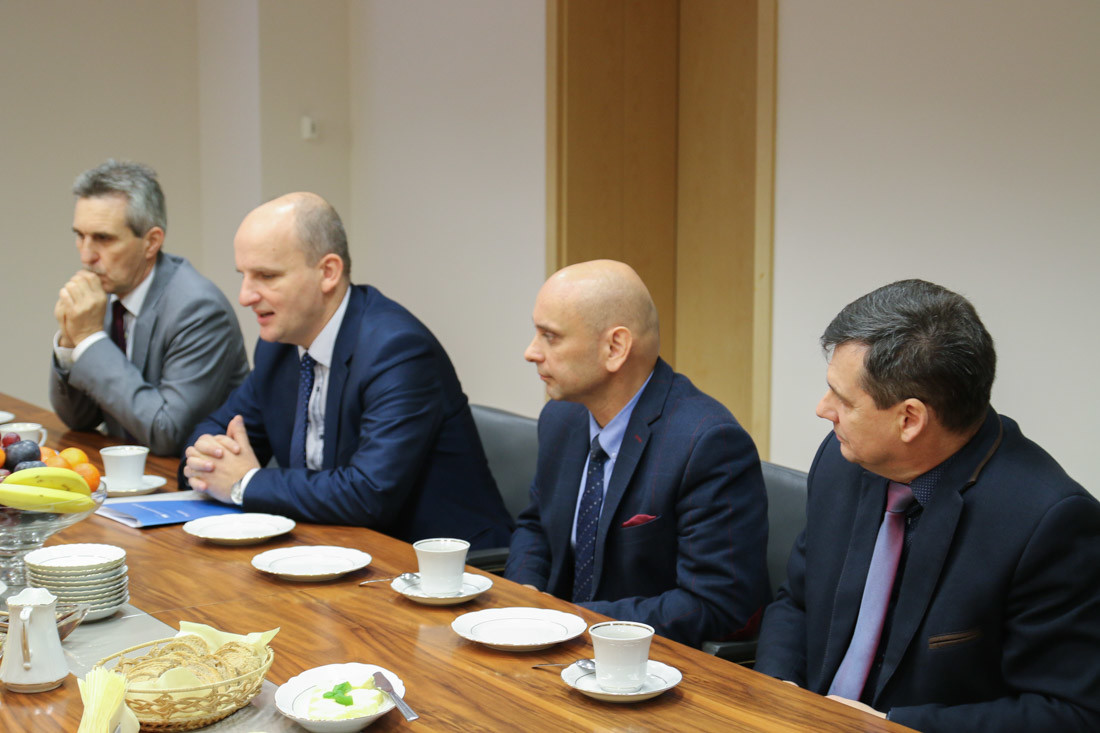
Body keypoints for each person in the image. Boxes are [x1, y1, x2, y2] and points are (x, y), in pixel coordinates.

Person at [754, 280, 1100, 731]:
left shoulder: (1048, 523)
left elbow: (1071, 712)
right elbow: (797, 601)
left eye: (844, 399)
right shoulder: (843, 462)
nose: (823, 409)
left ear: (910, 419)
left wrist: (891, 724)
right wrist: (779, 690)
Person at [181, 192, 513, 550]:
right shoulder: (279, 347)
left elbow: (369, 493)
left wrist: (244, 483)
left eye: (266, 276)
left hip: (440, 564)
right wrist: (209, 461)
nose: (245, 296)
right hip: (332, 547)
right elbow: (216, 429)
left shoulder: (397, 350)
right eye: (243, 276)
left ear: (328, 272)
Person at [505, 260, 770, 647]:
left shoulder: (707, 443)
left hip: (647, 663)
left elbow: (716, 604)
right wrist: (525, 595)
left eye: (550, 337)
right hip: (553, 643)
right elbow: (536, 526)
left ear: (615, 348)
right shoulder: (561, 418)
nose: (531, 352)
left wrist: (572, 620)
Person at [49, 160, 249, 456]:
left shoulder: (199, 310)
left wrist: (89, 340)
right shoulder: (106, 292)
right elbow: (79, 419)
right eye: (80, 235)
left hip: (190, 475)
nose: (86, 255)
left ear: (151, 242)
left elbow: (167, 433)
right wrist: (70, 343)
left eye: (103, 238)